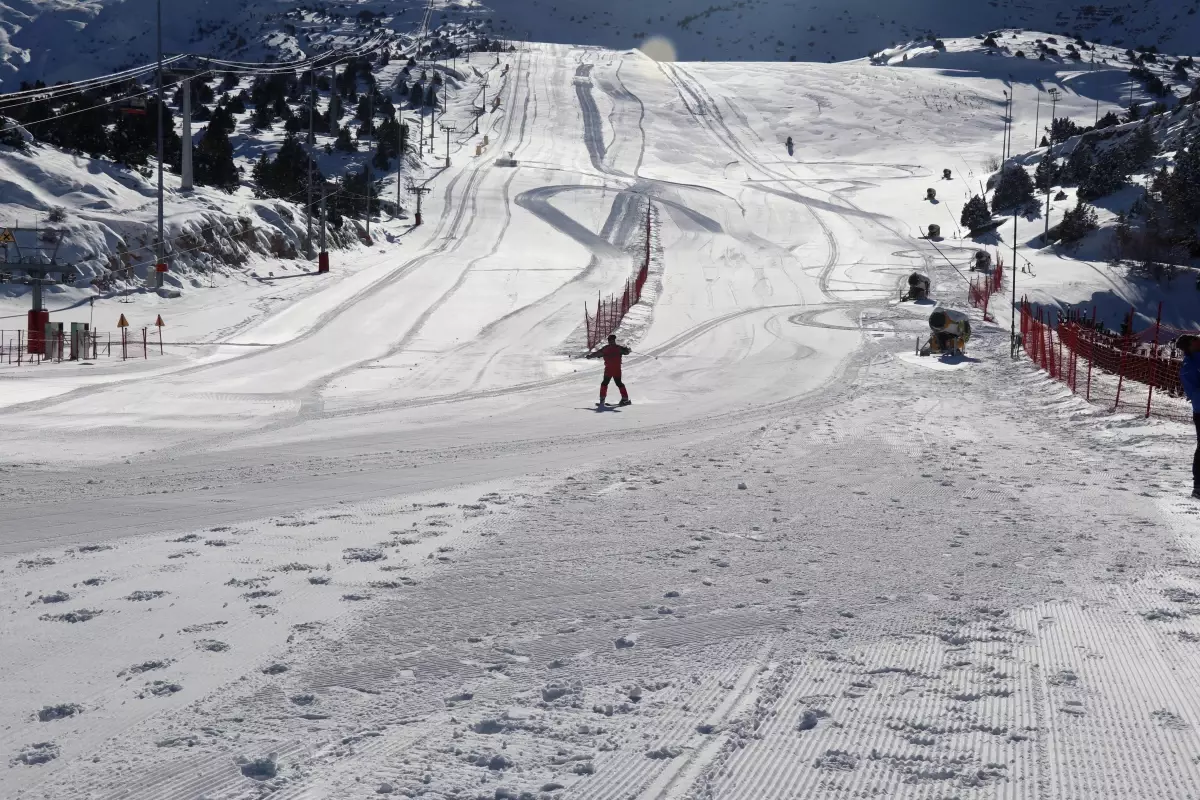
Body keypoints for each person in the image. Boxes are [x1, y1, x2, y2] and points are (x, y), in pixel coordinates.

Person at [1179, 334, 1200, 498]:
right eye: (1195, 339)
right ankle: (1198, 486)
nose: (1198, 340)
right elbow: (1193, 391)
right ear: (1190, 345)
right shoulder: (1189, 365)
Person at [586, 334, 632, 406]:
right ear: (614, 340)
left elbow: (597, 354)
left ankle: (602, 401)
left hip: (608, 370)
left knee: (604, 383)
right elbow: (626, 352)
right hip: (617, 370)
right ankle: (625, 399)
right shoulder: (618, 348)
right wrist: (628, 350)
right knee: (619, 383)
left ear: (609, 341)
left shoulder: (605, 348)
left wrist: (590, 356)